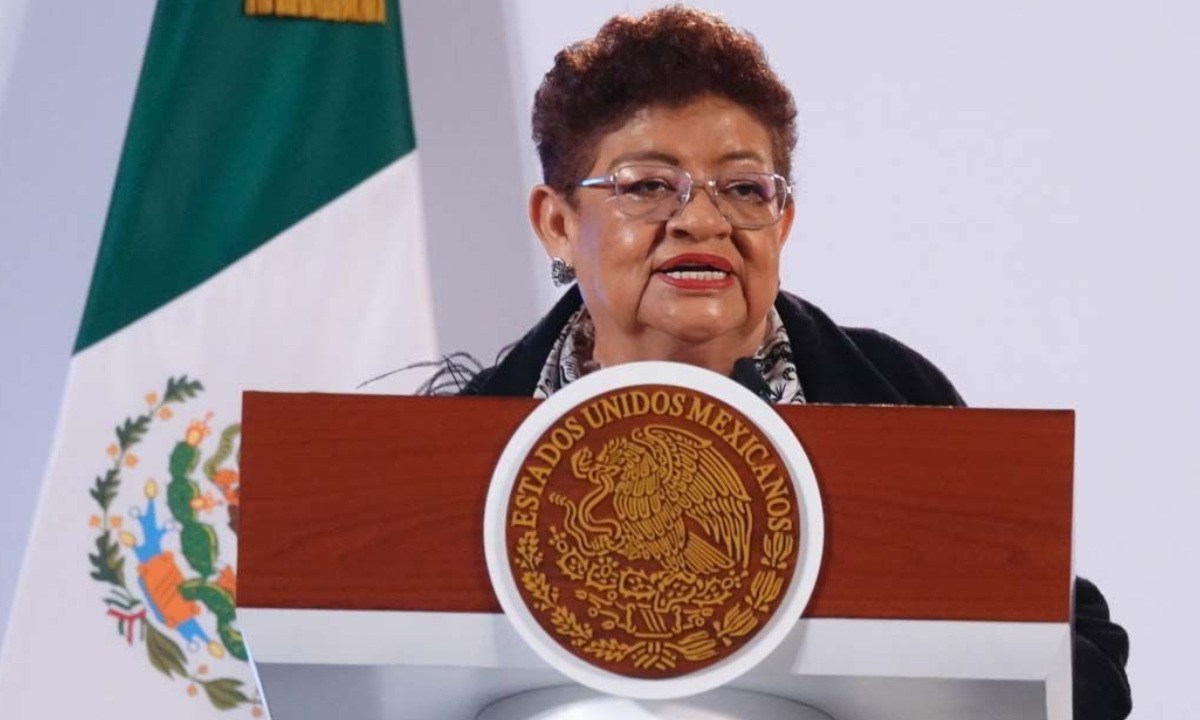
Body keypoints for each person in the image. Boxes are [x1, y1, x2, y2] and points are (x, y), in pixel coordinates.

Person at [443, 6, 1131, 717]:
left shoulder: (897, 396)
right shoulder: (453, 445)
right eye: (648, 186)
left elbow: (1079, 653)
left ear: (783, 222)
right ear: (557, 223)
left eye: (743, 189)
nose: (701, 221)